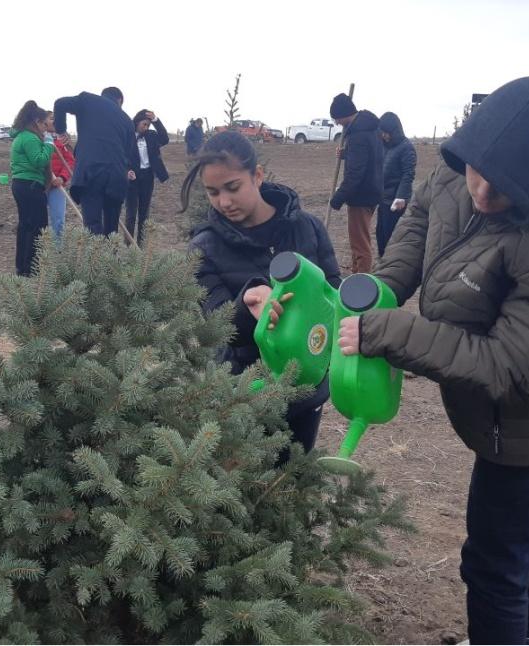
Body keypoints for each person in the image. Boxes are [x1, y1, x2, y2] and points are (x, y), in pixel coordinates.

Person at [336, 77, 529, 645]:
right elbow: (423, 214)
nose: (481, 192)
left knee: (493, 561)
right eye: (475, 171)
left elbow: (508, 368)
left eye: (503, 189)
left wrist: (394, 332)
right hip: (499, 416)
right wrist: (388, 285)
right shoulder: (463, 166)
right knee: (521, 534)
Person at [183, 130, 340, 459]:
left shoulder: (307, 228)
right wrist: (244, 305)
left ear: (257, 175)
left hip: (306, 390)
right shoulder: (203, 248)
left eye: (232, 187)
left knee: (291, 479)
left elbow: (332, 288)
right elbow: (216, 323)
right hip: (243, 394)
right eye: (212, 192)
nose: (224, 202)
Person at [53, 87, 136, 236]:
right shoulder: (127, 120)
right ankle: (110, 258)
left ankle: (95, 258)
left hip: (90, 173)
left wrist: (61, 131)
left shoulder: (88, 100)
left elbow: (60, 104)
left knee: (92, 225)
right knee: (112, 230)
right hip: (116, 177)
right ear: (119, 101)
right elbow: (129, 154)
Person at [328, 93, 383, 274]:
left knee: (360, 243)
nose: (336, 123)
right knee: (358, 240)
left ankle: (361, 282)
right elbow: (366, 158)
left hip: (361, 195)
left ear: (344, 114)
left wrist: (338, 198)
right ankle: (356, 273)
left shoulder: (358, 135)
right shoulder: (368, 128)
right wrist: (347, 153)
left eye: (336, 119)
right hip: (370, 191)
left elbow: (355, 174)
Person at [9, 100, 54, 275]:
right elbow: (39, 160)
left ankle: (23, 266)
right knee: (38, 227)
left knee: (25, 226)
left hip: (22, 185)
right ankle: (33, 268)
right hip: (31, 186)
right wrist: (49, 145)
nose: (45, 128)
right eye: (44, 123)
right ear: (36, 121)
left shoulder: (21, 136)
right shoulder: (29, 137)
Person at [375, 111, 417, 258]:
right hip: (383, 199)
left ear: (395, 130)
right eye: (383, 133)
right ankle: (382, 261)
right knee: (380, 235)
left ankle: (391, 264)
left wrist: (401, 197)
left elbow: (408, 174)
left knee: (391, 239)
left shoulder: (406, 148)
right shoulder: (385, 146)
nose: (384, 136)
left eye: (387, 133)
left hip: (395, 203)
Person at [124, 109, 169, 246]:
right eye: (144, 124)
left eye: (148, 125)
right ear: (137, 122)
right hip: (132, 179)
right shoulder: (127, 136)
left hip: (147, 177)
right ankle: (128, 243)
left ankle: (141, 244)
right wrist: (126, 171)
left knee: (144, 213)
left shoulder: (151, 135)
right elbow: (120, 155)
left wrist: (155, 120)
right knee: (131, 214)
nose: (146, 127)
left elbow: (165, 139)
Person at [44, 110, 75, 241]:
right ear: (43, 122)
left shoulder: (62, 139)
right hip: (40, 185)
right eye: (51, 118)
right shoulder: (37, 138)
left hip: (57, 186)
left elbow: (70, 160)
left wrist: (62, 178)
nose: (54, 121)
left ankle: (58, 252)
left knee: (58, 221)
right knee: (40, 221)